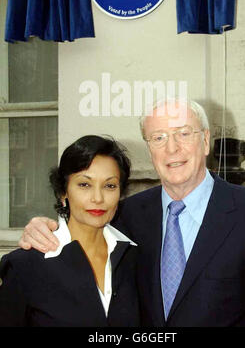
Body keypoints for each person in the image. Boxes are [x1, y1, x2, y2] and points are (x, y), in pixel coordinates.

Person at [16, 99, 245, 326]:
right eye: (158, 138)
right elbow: (80, 228)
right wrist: (41, 228)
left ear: (205, 141)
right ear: (149, 150)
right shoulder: (127, 216)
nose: (172, 149)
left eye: (184, 134)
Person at [0, 135, 140, 327]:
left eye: (109, 185)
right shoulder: (24, 266)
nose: (98, 198)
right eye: (84, 184)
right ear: (63, 193)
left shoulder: (135, 259)